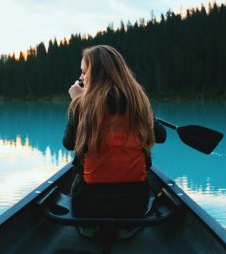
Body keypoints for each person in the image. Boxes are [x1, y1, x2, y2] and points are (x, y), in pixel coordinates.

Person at [63, 45, 166, 218]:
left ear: (95, 74)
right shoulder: (138, 101)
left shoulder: (81, 105)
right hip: (135, 205)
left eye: (84, 72)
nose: (81, 78)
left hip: (89, 205)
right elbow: (161, 136)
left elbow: (69, 143)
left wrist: (78, 102)